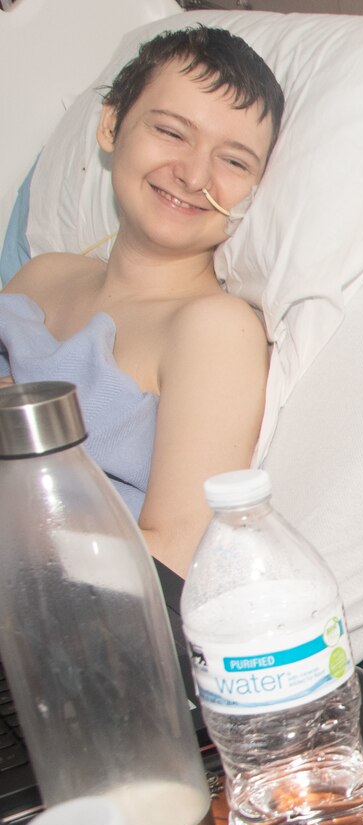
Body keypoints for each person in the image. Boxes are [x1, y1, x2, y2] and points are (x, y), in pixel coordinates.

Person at [0, 27, 283, 574]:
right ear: (112, 125)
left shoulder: (212, 329)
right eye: (172, 132)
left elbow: (175, 555)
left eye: (234, 162)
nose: (195, 174)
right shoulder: (42, 275)